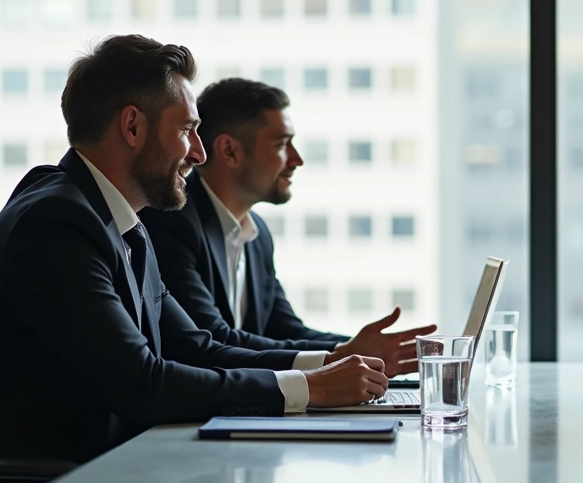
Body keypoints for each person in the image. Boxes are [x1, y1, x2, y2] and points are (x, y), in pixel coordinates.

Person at [0, 35, 389, 471]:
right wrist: (308, 387)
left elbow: (198, 348)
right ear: (133, 126)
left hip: (109, 477)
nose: (198, 153)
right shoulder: (54, 224)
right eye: (187, 130)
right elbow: (142, 383)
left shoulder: (122, 224)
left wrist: (328, 368)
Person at [141, 78, 435, 377]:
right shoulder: (172, 220)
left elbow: (284, 328)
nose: (297, 160)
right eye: (281, 144)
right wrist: (340, 356)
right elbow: (213, 339)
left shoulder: (258, 236)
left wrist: (357, 351)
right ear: (229, 151)